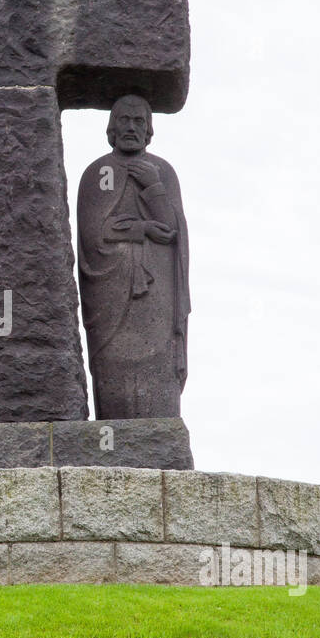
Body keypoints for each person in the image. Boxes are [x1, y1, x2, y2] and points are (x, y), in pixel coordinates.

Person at [77, 93, 190, 418]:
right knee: (114, 368)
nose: (130, 127)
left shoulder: (162, 171)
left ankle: (159, 433)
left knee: (157, 366)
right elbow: (95, 235)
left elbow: (171, 231)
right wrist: (142, 230)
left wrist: (152, 186)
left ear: (149, 129)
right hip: (111, 295)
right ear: (111, 128)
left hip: (156, 293)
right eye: (123, 120)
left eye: (138, 121)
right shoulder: (98, 173)